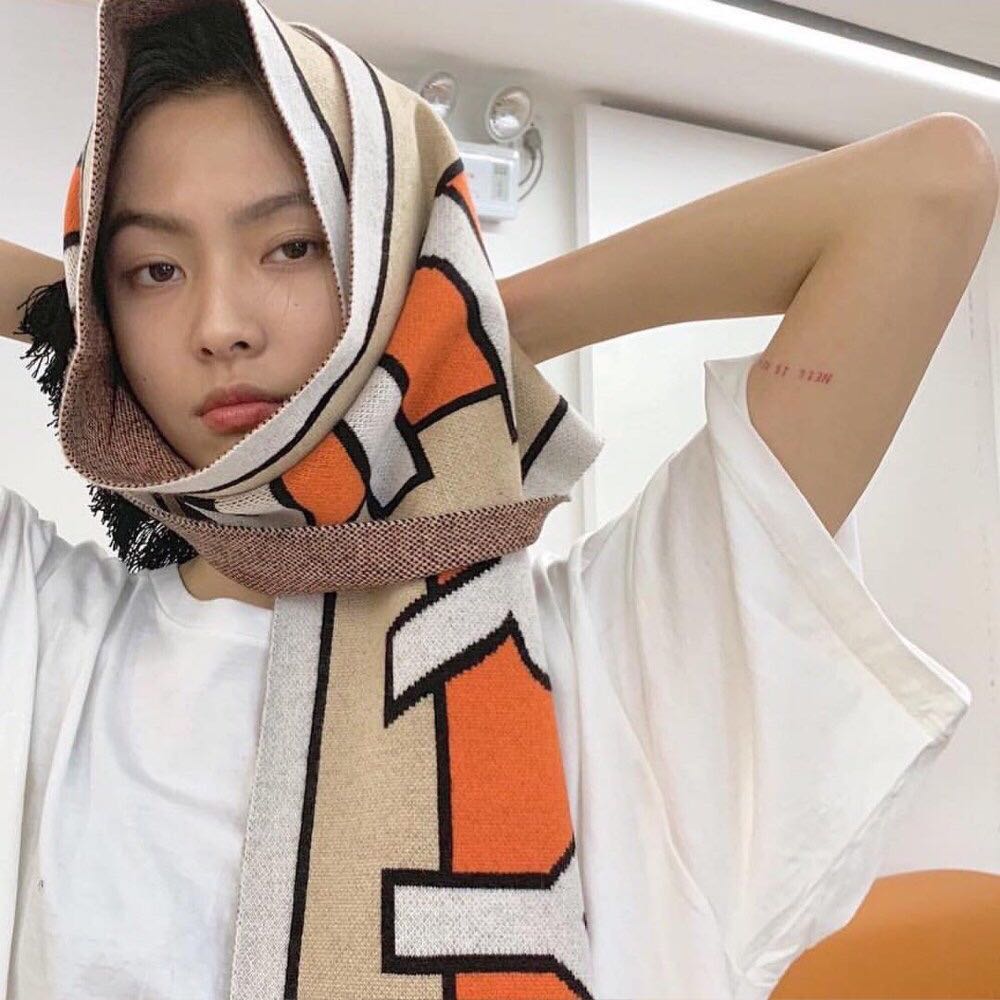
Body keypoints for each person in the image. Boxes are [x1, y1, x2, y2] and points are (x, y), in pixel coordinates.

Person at [0, 1, 991, 998]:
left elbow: (931, 186)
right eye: (154, 270)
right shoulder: (50, 638)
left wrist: (442, 327)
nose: (219, 323)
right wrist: (82, 332)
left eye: (293, 247)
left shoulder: (609, 653)